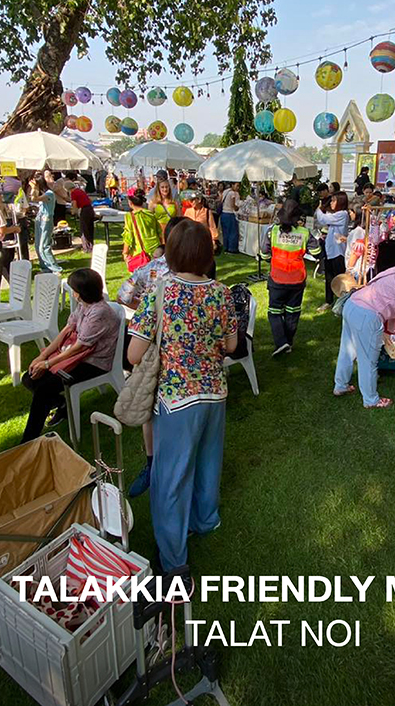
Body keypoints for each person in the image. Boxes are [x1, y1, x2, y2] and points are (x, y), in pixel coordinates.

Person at [127, 220, 238, 572]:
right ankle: (205, 521)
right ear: (207, 254)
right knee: (208, 462)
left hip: (176, 398)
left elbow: (133, 354)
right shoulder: (221, 291)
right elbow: (233, 345)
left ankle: (174, 560)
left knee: (170, 478)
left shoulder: (160, 290)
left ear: (171, 253)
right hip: (215, 393)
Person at [20, 268, 120, 441]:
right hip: (79, 356)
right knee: (29, 377)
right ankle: (61, 403)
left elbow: (79, 347)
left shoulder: (99, 312)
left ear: (80, 293)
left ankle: (28, 440)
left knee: (44, 389)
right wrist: (42, 357)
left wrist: (48, 364)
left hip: (95, 362)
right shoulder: (84, 305)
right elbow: (67, 330)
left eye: (73, 289)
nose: (72, 292)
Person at [333, 240, 395, 409]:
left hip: (353, 304)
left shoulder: (393, 272)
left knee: (347, 350)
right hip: (367, 314)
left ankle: (340, 385)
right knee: (367, 359)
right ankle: (371, 399)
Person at [260, 200, 321, 356]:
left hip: (277, 278)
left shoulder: (271, 231)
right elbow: (317, 253)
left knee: (274, 312)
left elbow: (264, 254)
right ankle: (288, 342)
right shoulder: (305, 233)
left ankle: (281, 342)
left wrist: (273, 260)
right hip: (296, 280)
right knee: (292, 312)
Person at [315, 191, 350, 312]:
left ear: (340, 201)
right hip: (331, 250)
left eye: (334, 200)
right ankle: (329, 301)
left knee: (340, 278)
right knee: (329, 277)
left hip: (338, 252)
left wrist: (318, 208)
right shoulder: (338, 214)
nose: (331, 202)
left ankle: (343, 302)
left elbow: (323, 219)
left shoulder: (342, 214)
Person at [123, 189, 162, 272]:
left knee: (140, 280)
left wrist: (125, 253)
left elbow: (128, 236)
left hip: (139, 253)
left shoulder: (129, 216)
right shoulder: (151, 214)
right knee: (154, 277)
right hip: (155, 250)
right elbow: (159, 232)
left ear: (130, 202)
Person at [183, 191, 219, 277]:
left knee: (204, 261)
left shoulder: (206, 212)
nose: (190, 203)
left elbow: (212, 226)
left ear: (198, 200)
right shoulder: (188, 211)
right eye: (190, 201)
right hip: (190, 240)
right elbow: (184, 225)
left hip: (203, 240)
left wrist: (214, 240)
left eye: (192, 200)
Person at [33, 175, 63, 274]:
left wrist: (34, 188)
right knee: (38, 246)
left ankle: (55, 268)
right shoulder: (45, 194)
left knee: (44, 246)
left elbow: (35, 198)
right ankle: (45, 267)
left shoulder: (49, 194)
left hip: (46, 220)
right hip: (39, 220)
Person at [69, 185, 95, 253]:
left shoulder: (73, 193)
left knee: (84, 230)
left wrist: (73, 211)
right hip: (90, 209)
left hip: (84, 210)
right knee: (90, 229)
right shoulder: (80, 190)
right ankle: (91, 246)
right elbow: (89, 200)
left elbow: (74, 204)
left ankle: (86, 248)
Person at [220, 181, 241, 254]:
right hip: (230, 214)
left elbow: (220, 200)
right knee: (233, 232)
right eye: (237, 185)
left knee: (225, 232)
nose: (238, 188)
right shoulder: (232, 193)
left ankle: (226, 247)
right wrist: (237, 208)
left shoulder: (225, 191)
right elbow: (233, 205)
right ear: (232, 185)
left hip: (224, 213)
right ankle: (232, 249)